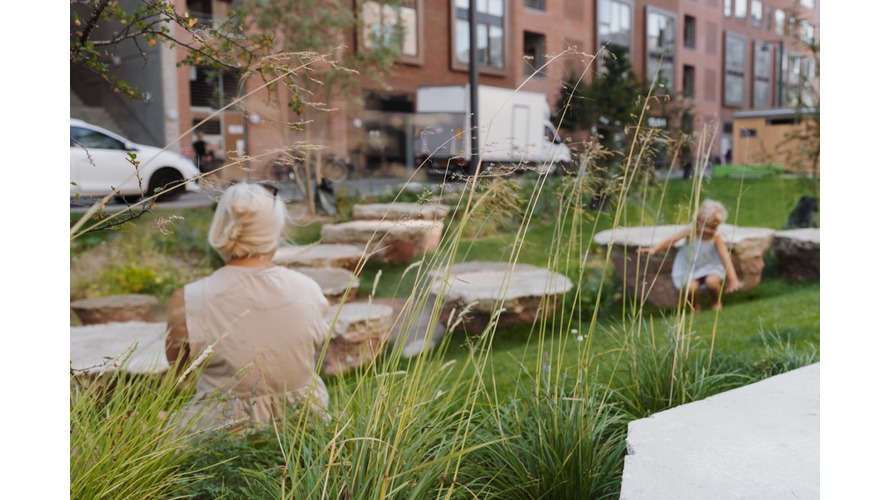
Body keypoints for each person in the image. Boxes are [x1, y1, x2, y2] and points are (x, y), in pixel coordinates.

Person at [166, 182, 331, 432]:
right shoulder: (309, 290)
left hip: (220, 438)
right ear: (275, 231)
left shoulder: (189, 299)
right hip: (304, 427)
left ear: (220, 228)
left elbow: (181, 373)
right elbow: (313, 355)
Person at [638, 199, 742, 311]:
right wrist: (654, 249)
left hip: (710, 267)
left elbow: (724, 256)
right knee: (691, 288)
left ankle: (716, 303)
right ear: (698, 220)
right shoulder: (690, 232)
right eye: (707, 226)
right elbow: (671, 240)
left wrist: (733, 279)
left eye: (714, 227)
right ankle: (695, 307)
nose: (709, 230)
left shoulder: (715, 237)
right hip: (691, 267)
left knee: (712, 282)